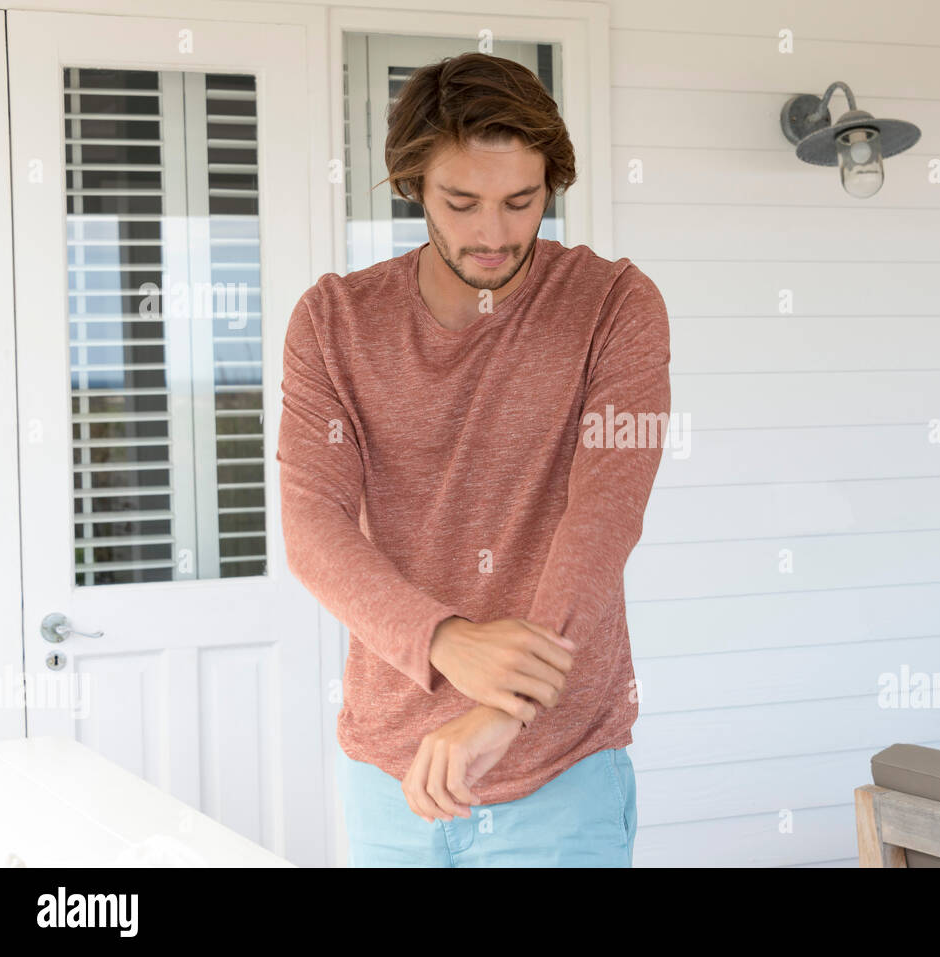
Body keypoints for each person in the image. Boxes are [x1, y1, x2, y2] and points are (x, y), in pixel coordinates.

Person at [275, 51, 671, 867]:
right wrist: (447, 640)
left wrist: (504, 710)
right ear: (414, 185)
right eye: (462, 201)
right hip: (390, 775)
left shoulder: (614, 306)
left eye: (521, 202)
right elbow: (312, 527)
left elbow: (604, 515)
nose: (493, 233)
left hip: (559, 773)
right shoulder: (334, 323)